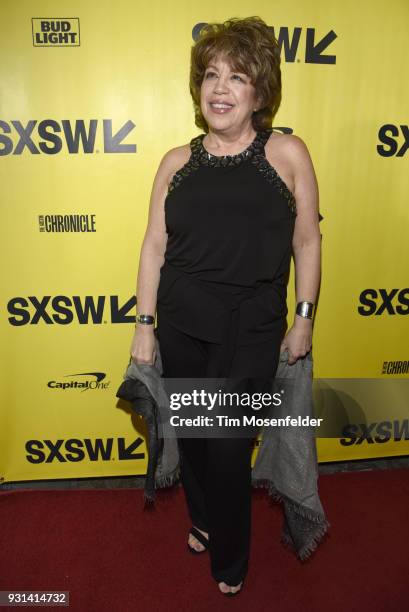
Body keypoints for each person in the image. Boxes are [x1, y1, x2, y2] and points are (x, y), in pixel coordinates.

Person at [129, 16, 321, 596]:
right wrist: (144, 324)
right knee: (192, 436)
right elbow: (154, 245)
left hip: (252, 326)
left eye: (237, 77)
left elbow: (308, 240)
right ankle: (204, 519)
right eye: (211, 75)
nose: (220, 88)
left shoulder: (286, 153)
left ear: (259, 92)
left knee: (229, 446)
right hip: (183, 318)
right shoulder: (175, 162)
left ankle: (230, 562)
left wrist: (304, 317)